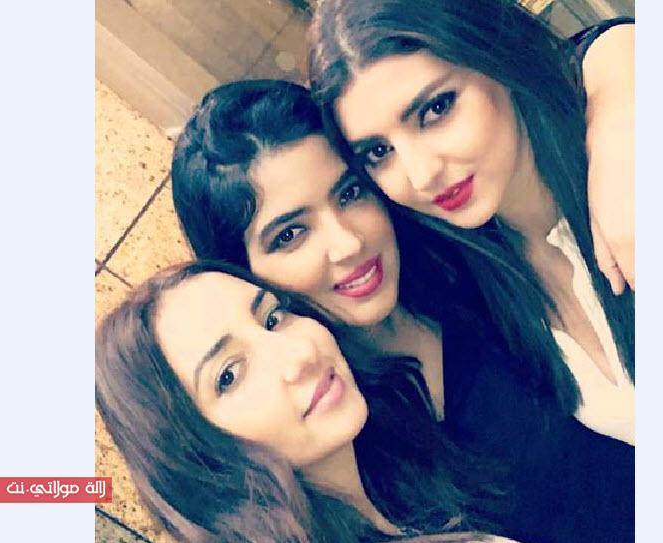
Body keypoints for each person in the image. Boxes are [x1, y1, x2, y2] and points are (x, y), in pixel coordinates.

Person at [171, 80, 634, 543]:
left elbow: (571, 71)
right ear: (240, 276)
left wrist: (617, 108)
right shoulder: (333, 436)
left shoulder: (460, 242)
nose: (348, 243)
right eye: (291, 235)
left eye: (350, 193)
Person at [308, 0, 635, 445]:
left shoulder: (627, 167)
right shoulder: (473, 279)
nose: (421, 175)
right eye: (379, 153)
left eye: (436, 109)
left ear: (494, 53)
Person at [95, 260, 515, 542]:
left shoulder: (409, 478)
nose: (300, 353)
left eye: (273, 318)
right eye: (229, 375)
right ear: (194, 457)